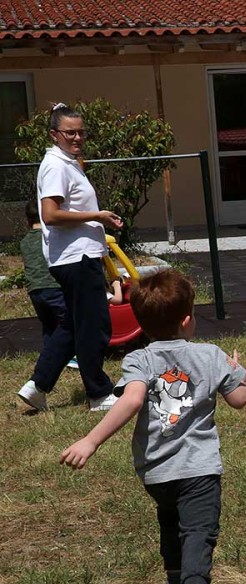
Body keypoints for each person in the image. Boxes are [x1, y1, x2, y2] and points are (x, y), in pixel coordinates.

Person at [59, 268, 246, 584]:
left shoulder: (138, 359)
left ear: (142, 323)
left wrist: (91, 441)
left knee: (170, 524)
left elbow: (130, 401)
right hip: (198, 469)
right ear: (187, 320)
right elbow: (239, 400)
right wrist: (235, 370)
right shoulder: (210, 356)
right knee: (198, 531)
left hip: (156, 472)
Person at [17, 102, 124, 412]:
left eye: (81, 133)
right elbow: (50, 215)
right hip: (75, 258)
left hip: (76, 256)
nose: (77, 138)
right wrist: (98, 215)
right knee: (94, 325)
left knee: (74, 325)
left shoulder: (67, 162)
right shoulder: (55, 166)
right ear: (54, 134)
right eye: (70, 133)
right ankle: (99, 394)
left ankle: (38, 386)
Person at [17, 200, 67, 410]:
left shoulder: (24, 241)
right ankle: (48, 369)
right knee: (69, 326)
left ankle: (49, 358)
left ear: (27, 221)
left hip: (35, 291)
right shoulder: (50, 238)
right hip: (54, 288)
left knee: (50, 328)